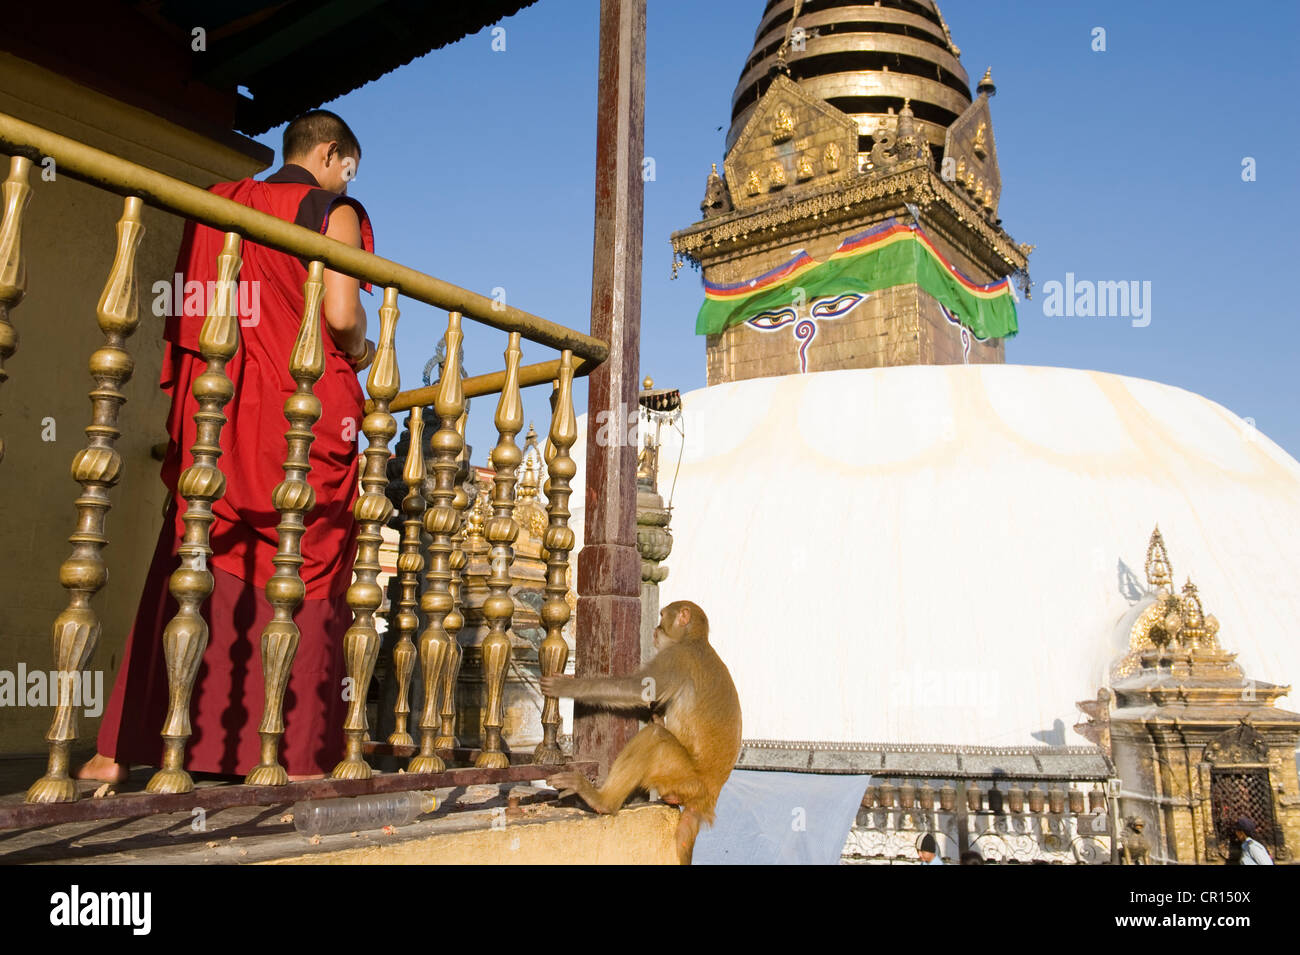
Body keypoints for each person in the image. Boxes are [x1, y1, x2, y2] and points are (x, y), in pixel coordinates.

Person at [79, 110, 376, 782]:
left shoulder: (218, 203)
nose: (348, 179)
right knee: (302, 559)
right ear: (331, 155)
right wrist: (363, 349)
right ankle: (290, 757)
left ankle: (118, 748)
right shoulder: (333, 211)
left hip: (220, 409)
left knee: (192, 551)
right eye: (348, 167)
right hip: (297, 420)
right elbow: (340, 313)